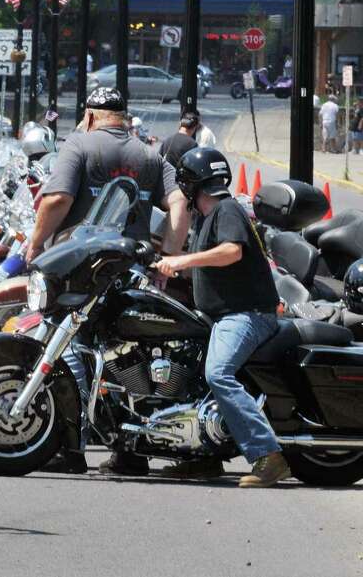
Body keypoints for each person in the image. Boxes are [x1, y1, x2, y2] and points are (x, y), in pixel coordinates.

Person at [26, 87, 189, 475]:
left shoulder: (80, 144)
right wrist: (167, 255)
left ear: (92, 114)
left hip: (81, 271)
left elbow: (57, 199)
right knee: (125, 354)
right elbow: (179, 202)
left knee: (68, 348)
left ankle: (71, 446)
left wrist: (34, 246)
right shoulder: (149, 154)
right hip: (130, 270)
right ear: (122, 116)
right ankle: (132, 452)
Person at [153, 148, 289, 488]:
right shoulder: (206, 217)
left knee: (218, 374)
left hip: (247, 315)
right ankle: (201, 457)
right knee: (188, 370)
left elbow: (232, 252)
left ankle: (268, 455)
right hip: (221, 315)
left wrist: (183, 262)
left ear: (190, 184)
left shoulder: (226, 209)